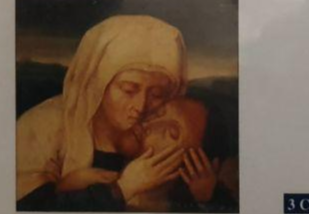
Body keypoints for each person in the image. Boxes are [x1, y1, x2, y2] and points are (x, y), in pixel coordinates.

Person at [15, 15, 228, 212]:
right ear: (98, 82)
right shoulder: (43, 126)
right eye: (128, 90)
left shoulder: (152, 137)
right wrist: (121, 189)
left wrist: (209, 197)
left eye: (157, 94)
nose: (141, 106)